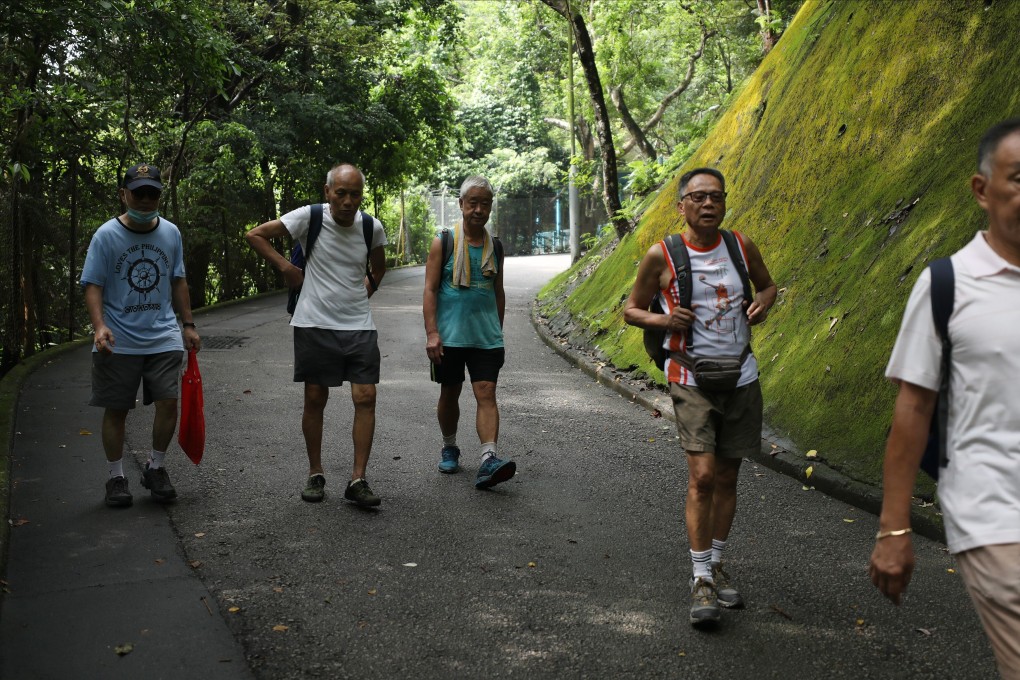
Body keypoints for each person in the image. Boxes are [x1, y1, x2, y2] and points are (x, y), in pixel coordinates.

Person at [870, 119, 1020, 679]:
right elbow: (913, 410)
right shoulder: (948, 285)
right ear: (982, 191)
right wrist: (893, 529)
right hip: (995, 516)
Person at [624, 167, 777, 628]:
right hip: (690, 378)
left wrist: (765, 301)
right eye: (698, 197)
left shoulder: (739, 245)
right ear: (682, 206)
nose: (708, 204)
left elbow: (769, 286)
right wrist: (663, 322)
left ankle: (717, 563)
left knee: (728, 477)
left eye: (716, 196)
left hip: (742, 378)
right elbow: (631, 310)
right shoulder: (662, 255)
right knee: (703, 476)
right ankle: (700, 578)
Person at [245, 163, 387, 507]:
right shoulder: (309, 217)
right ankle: (315, 472)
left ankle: (358, 479)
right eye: (341, 193)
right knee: (315, 397)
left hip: (358, 324)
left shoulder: (371, 226)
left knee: (366, 396)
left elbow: (379, 268)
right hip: (314, 323)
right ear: (328, 192)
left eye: (355, 194)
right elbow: (255, 234)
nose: (348, 201)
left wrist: (359, 295)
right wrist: (286, 267)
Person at [81, 163, 201, 507]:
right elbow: (93, 284)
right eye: (139, 193)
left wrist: (188, 324)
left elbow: (178, 280)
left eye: (153, 193)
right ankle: (116, 477)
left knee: (168, 401)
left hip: (162, 333)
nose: (146, 200)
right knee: (117, 408)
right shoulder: (106, 235)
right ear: (124, 195)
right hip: (119, 338)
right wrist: (99, 326)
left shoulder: (171, 233)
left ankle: (156, 467)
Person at [422, 176, 516, 489]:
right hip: (449, 337)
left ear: (490, 207)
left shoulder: (496, 247)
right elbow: (430, 289)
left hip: (486, 337)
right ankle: (449, 445)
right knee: (449, 392)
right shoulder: (444, 241)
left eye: (484, 203)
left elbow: (498, 292)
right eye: (472, 203)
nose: (478, 209)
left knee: (486, 392)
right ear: (461, 204)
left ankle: (489, 458)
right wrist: (432, 333)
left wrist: (497, 333)